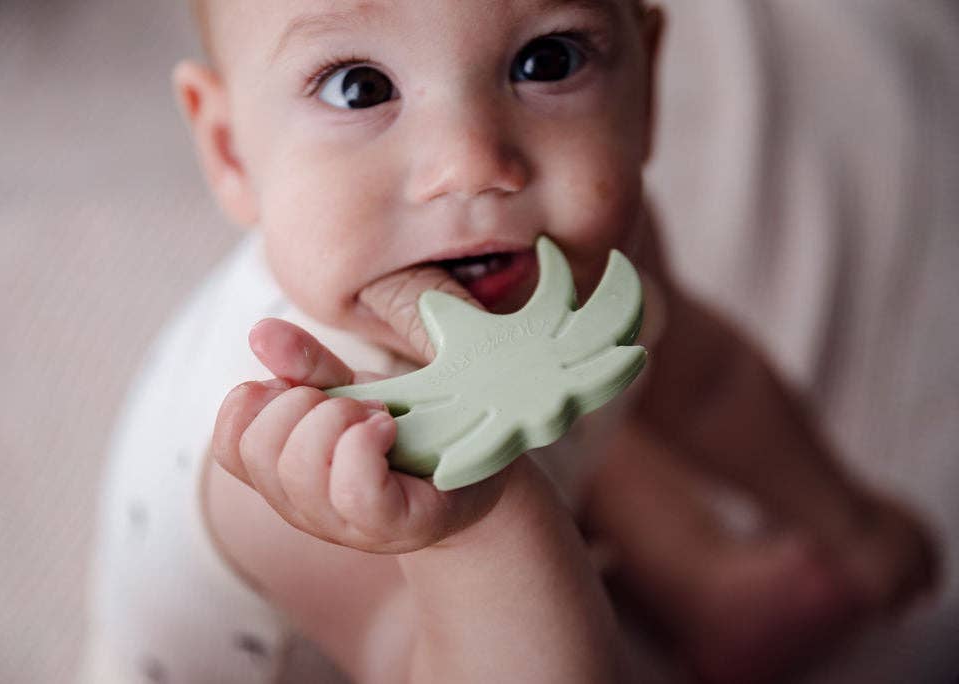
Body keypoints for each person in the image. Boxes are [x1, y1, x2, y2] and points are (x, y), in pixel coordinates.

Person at [82, 1, 938, 682]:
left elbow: (702, 382)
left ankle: (705, 582)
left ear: (646, 88)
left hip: (534, 487)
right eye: (357, 86)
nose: (472, 163)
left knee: (594, 388)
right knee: (536, 487)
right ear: (231, 151)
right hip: (384, 648)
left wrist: (848, 520)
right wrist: (474, 526)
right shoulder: (304, 445)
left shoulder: (579, 250)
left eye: (548, 61)